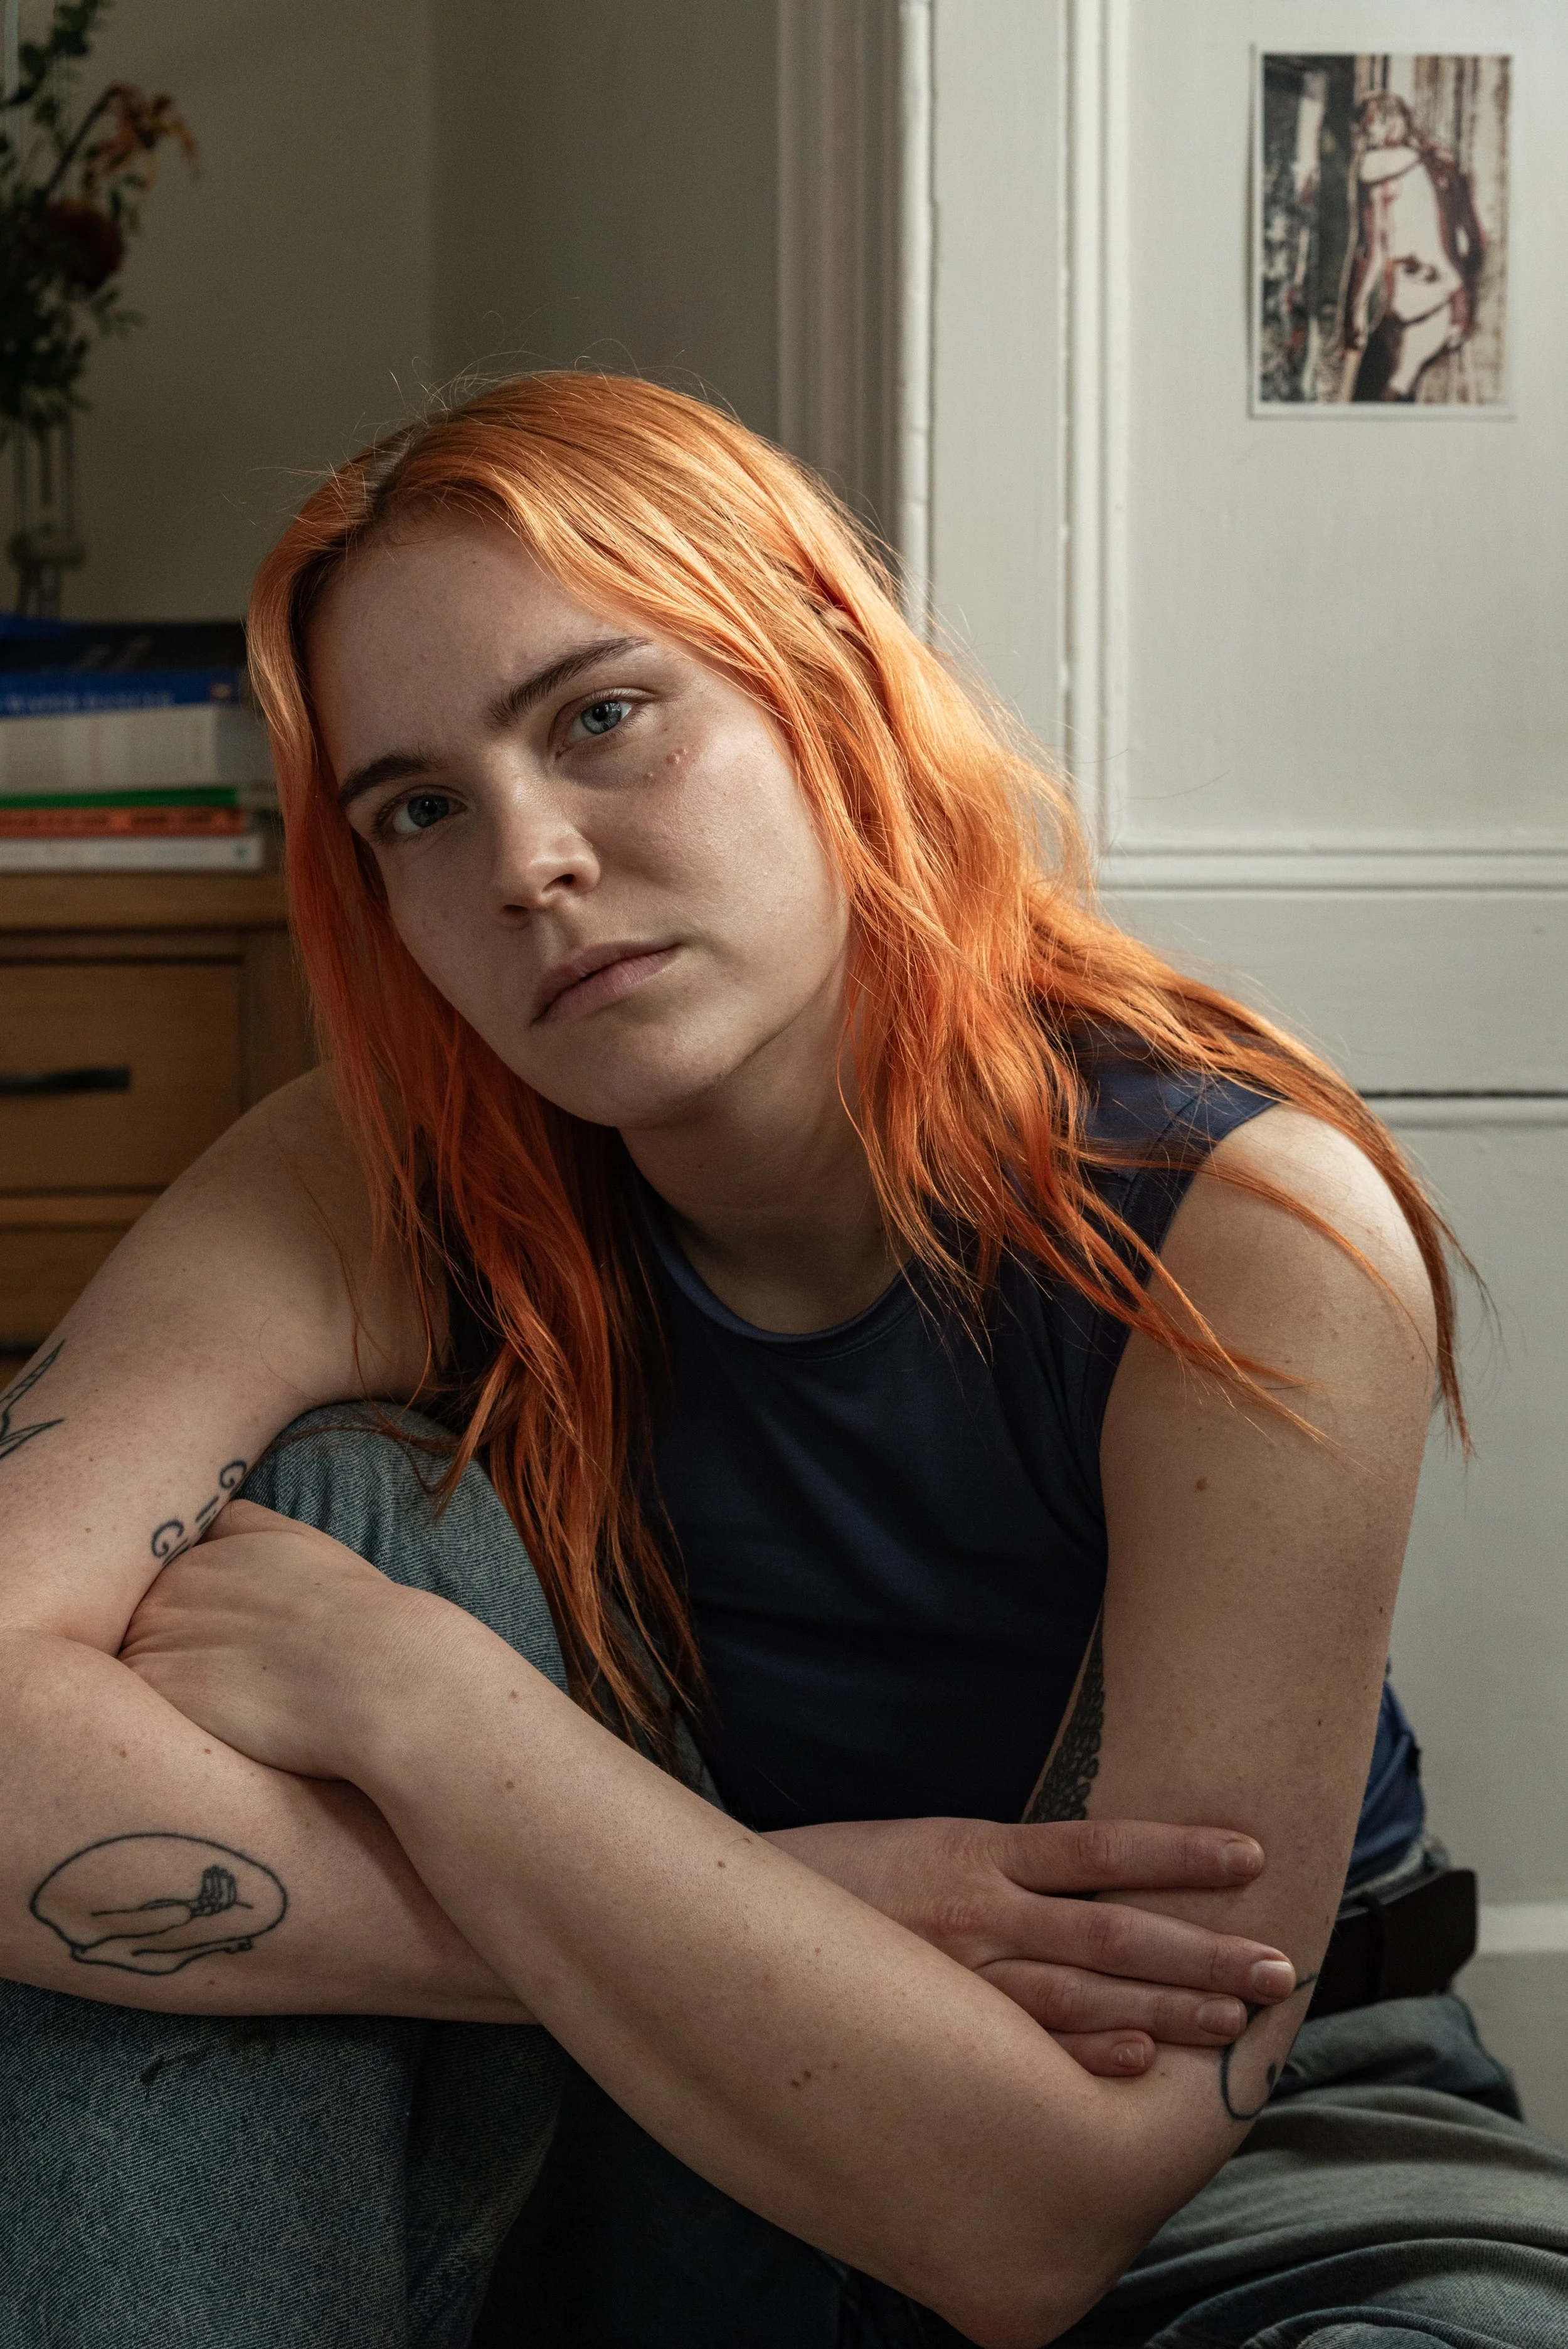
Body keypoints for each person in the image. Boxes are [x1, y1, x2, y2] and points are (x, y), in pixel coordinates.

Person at [1, 374, 1564, 2349]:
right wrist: (768, 1899)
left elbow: (1036, 2218)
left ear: (822, 675)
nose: (528, 860)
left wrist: (425, 1708)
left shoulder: (1243, 1227)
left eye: (600, 716)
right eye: (419, 808)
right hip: (632, 2108)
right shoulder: (380, 1176)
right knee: (326, 1519)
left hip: (1251, 2142)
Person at [1341, 90, 1487, 403]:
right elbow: (1375, 248)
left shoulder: (1421, 170)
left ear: (1388, 121)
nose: (1367, 135)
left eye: (1371, 126)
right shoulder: (1418, 167)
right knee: (1387, 393)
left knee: (1386, 393)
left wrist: (1355, 311)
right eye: (1365, 130)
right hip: (1416, 300)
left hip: (1427, 298)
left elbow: (1375, 250)